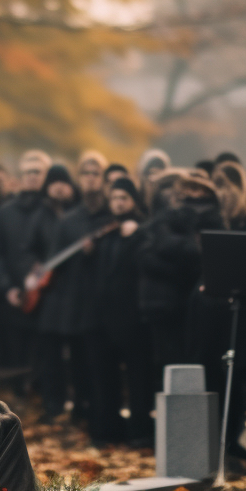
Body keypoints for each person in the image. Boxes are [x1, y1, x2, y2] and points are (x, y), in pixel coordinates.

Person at [35, 155, 110, 419]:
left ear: (103, 178)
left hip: (106, 301)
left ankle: (99, 411)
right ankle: (80, 408)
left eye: (96, 173)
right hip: (77, 301)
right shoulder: (70, 220)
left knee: (102, 365)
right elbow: (56, 264)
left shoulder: (112, 214)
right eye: (86, 173)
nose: (90, 177)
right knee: (78, 361)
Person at [137, 172, 223, 369]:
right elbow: (150, 253)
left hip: (193, 300)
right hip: (169, 300)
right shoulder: (168, 219)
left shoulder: (206, 218)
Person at [90, 177, 151, 443]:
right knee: (106, 378)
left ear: (133, 201)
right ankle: (109, 430)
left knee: (138, 378)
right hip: (103, 319)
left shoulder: (143, 230)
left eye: (123, 198)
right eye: (114, 198)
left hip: (132, 317)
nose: (118, 203)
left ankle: (139, 431)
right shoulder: (105, 231)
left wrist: (136, 234)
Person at [0, 150, 51, 378]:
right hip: (15, 299)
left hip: (48, 298)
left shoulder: (53, 210)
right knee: (16, 361)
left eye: (37, 172)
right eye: (28, 172)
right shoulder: (6, 212)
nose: (32, 176)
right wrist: (7, 288)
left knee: (45, 362)